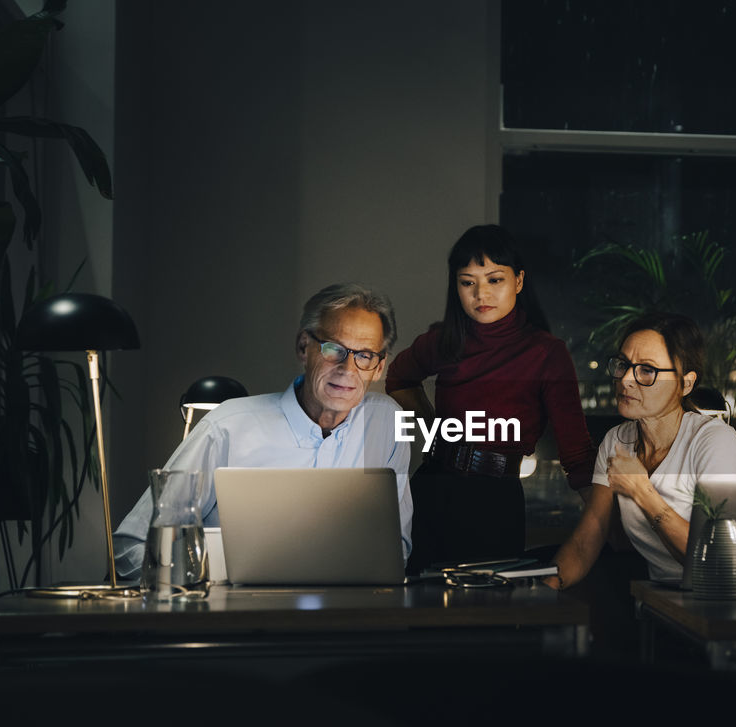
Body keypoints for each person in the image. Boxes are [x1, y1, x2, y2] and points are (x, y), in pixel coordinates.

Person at [112, 283, 412, 578]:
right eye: (334, 349)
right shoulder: (227, 426)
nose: (348, 369)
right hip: (238, 615)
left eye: (364, 355)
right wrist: (201, 582)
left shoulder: (387, 422)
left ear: (379, 367)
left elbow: (395, 546)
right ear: (304, 348)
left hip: (348, 615)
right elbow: (131, 549)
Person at [386, 224, 594, 572]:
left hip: (495, 498)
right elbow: (399, 378)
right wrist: (436, 429)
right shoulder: (443, 340)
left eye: (494, 279)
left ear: (519, 282)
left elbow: (575, 449)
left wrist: (605, 520)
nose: (481, 293)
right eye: (468, 282)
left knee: (485, 612)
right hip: (432, 487)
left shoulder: (546, 353)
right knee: (419, 604)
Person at [545, 313, 736, 590]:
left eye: (647, 371)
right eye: (624, 365)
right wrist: (544, 591)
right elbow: (588, 538)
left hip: (720, 600)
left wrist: (642, 490)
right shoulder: (616, 441)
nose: (626, 379)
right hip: (660, 599)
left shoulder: (714, 441)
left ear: (685, 384)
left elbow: (719, 560)